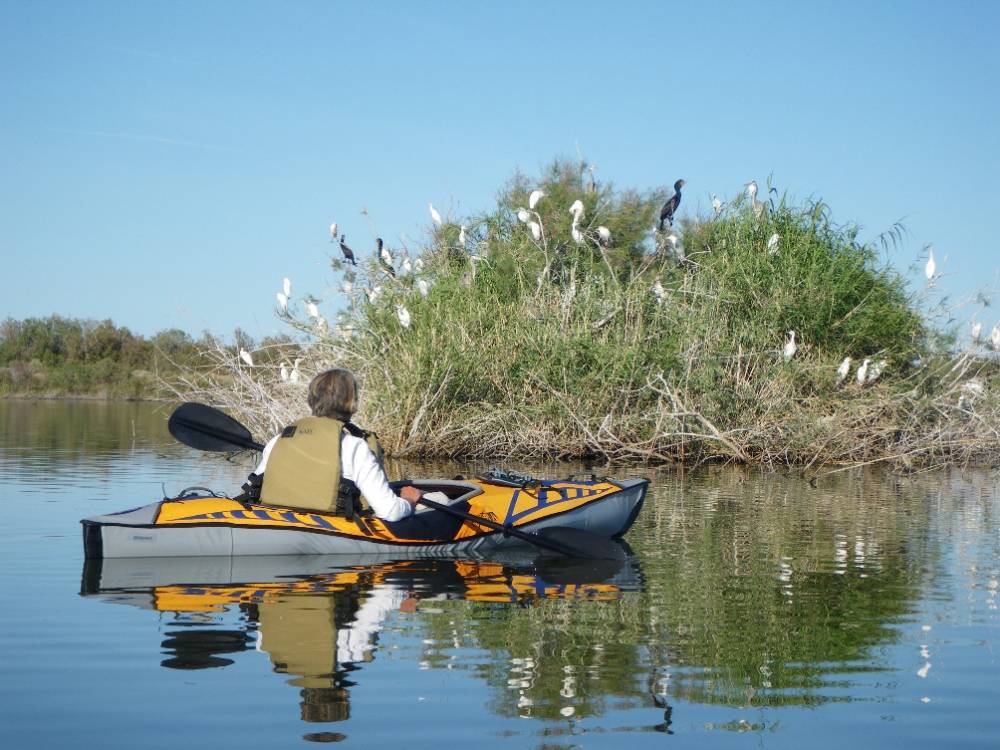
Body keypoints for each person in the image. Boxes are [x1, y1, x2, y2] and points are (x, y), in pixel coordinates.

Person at [243, 368, 422, 521]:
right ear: (352, 403)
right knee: (438, 500)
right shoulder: (355, 447)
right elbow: (390, 512)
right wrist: (409, 501)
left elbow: (252, 491)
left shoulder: (278, 440)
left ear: (311, 400)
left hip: (276, 522)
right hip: (332, 530)